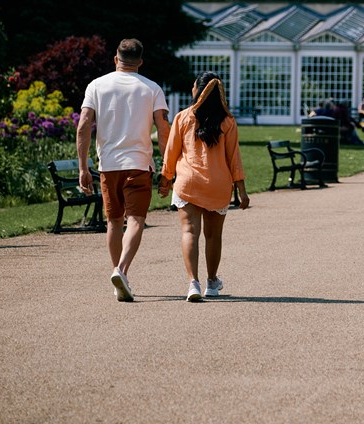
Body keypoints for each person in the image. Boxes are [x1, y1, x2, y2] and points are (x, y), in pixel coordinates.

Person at [76, 38, 170, 302]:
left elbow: (83, 125)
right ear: (140, 61)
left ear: (116, 58)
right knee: (136, 220)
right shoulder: (152, 89)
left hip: (108, 166)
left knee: (114, 222)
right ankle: (122, 271)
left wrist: (84, 167)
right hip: (139, 164)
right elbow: (164, 130)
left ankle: (119, 276)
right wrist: (167, 166)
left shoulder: (97, 85)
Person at [158, 72, 249, 302]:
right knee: (213, 236)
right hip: (218, 184)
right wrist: (242, 190)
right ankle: (211, 282)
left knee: (190, 231)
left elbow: (171, 152)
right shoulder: (227, 121)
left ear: (197, 90)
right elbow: (234, 158)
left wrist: (166, 179)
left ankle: (193, 283)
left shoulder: (183, 117)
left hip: (188, 182)